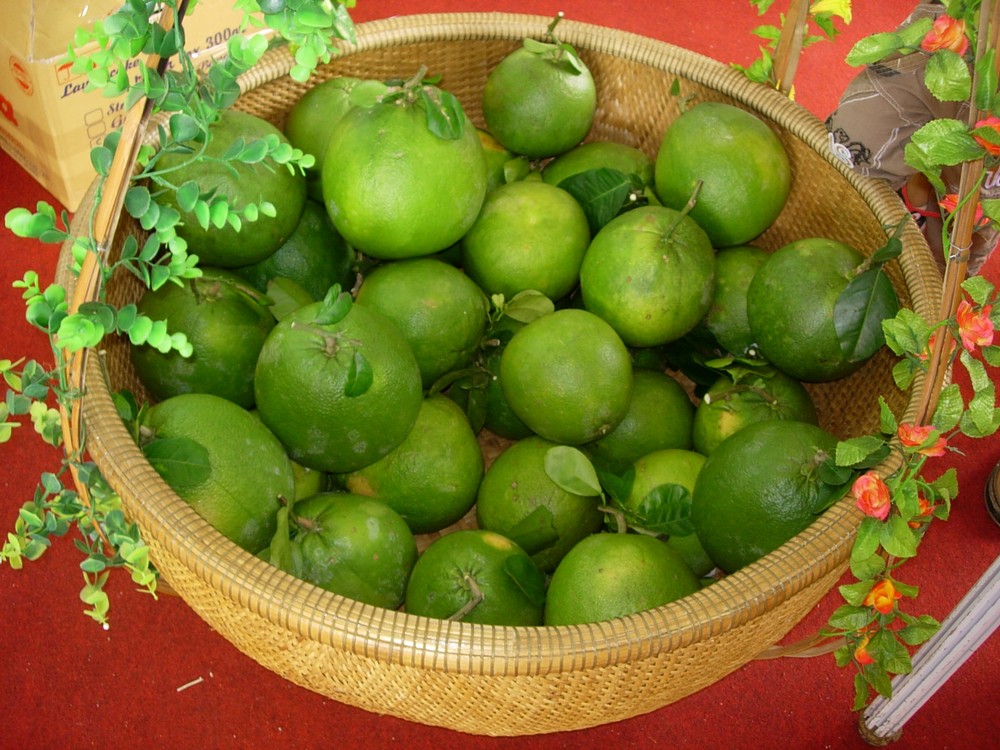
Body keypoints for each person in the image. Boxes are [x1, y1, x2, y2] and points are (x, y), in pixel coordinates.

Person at [825, 2, 999, 276]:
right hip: (958, 22)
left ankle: (930, 235)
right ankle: (913, 184)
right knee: (854, 141)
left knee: (966, 219)